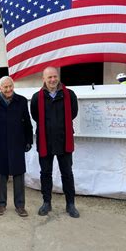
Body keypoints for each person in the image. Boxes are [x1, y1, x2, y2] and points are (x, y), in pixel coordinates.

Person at [30, 67, 80, 218]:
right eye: (49, 77)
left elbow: (74, 113)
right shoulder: (37, 98)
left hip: (64, 141)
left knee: (67, 173)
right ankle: (47, 202)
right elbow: (35, 116)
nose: (52, 80)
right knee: (45, 174)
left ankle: (70, 204)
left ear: (58, 77)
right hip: (45, 141)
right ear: (43, 79)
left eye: (54, 76)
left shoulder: (69, 95)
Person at [0, 76, 33, 217]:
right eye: (5, 87)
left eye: (10, 86)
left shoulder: (21, 101)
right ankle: (1, 205)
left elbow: (27, 123)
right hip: (0, 144)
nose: (8, 90)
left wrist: (28, 140)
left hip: (17, 143)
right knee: (1, 175)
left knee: (19, 174)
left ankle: (20, 206)